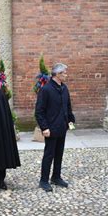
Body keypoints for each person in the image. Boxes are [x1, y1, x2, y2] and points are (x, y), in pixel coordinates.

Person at [35, 63, 75, 192]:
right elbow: (39, 111)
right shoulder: (46, 90)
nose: (66, 75)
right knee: (49, 154)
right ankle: (44, 180)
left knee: (59, 154)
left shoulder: (64, 88)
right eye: (64, 73)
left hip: (62, 127)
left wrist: (70, 121)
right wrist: (44, 127)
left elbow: (67, 106)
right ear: (57, 74)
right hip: (50, 129)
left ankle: (56, 177)